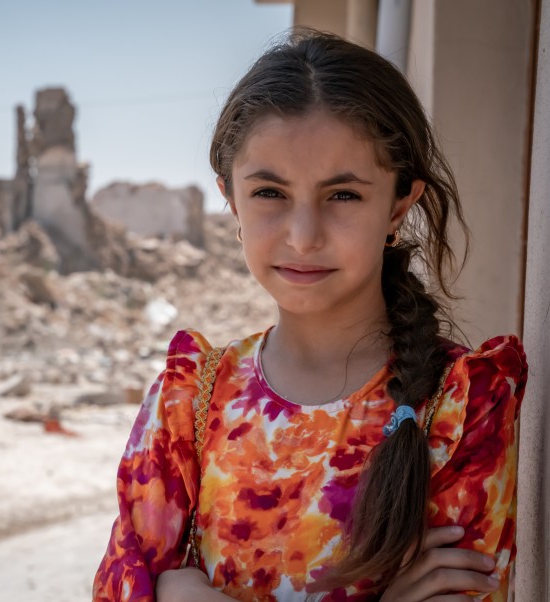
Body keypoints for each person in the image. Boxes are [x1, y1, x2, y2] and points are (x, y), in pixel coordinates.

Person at [93, 29, 527, 602]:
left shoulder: (461, 408)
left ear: (399, 203)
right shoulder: (188, 404)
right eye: (270, 192)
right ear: (231, 199)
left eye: (342, 196)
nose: (303, 237)